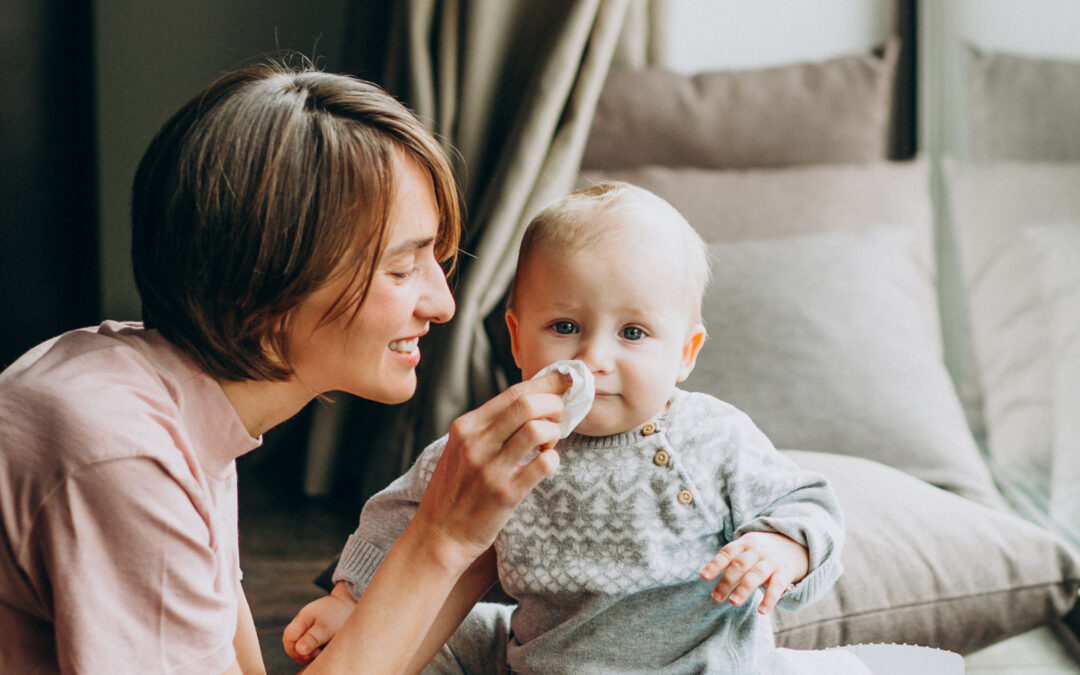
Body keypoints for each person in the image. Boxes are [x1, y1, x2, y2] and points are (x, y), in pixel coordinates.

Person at [0, 63, 572, 674]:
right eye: (402, 270)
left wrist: (469, 541)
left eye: (435, 259)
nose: (443, 303)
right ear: (266, 281)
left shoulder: (170, 405)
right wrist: (442, 537)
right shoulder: (122, 456)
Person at [285, 183, 864, 673]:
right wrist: (349, 599)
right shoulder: (504, 438)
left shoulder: (712, 436)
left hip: (692, 661)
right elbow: (407, 515)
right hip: (543, 655)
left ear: (685, 354)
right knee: (448, 638)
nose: (593, 358)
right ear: (516, 339)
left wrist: (782, 548)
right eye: (564, 326)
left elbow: (808, 502)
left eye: (632, 333)